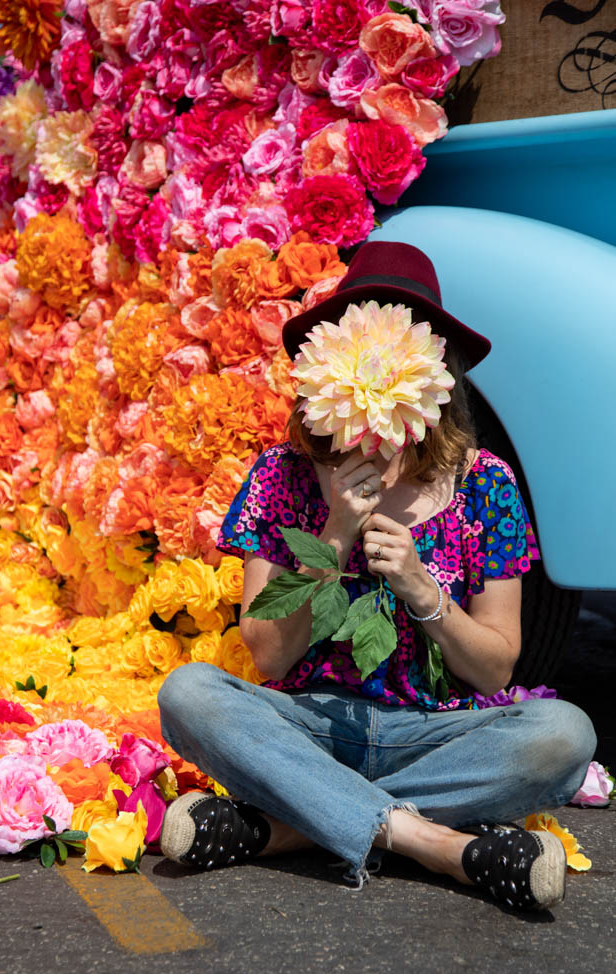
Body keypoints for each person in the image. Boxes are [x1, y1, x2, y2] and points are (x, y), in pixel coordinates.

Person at [157, 241, 596, 911]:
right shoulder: (282, 479)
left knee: (565, 737)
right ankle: (435, 844)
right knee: (189, 693)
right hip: (311, 724)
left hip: (434, 735)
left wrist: (424, 591)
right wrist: (332, 533)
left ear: (431, 372)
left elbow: (495, 670)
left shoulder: (485, 485)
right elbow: (270, 657)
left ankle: (292, 825)